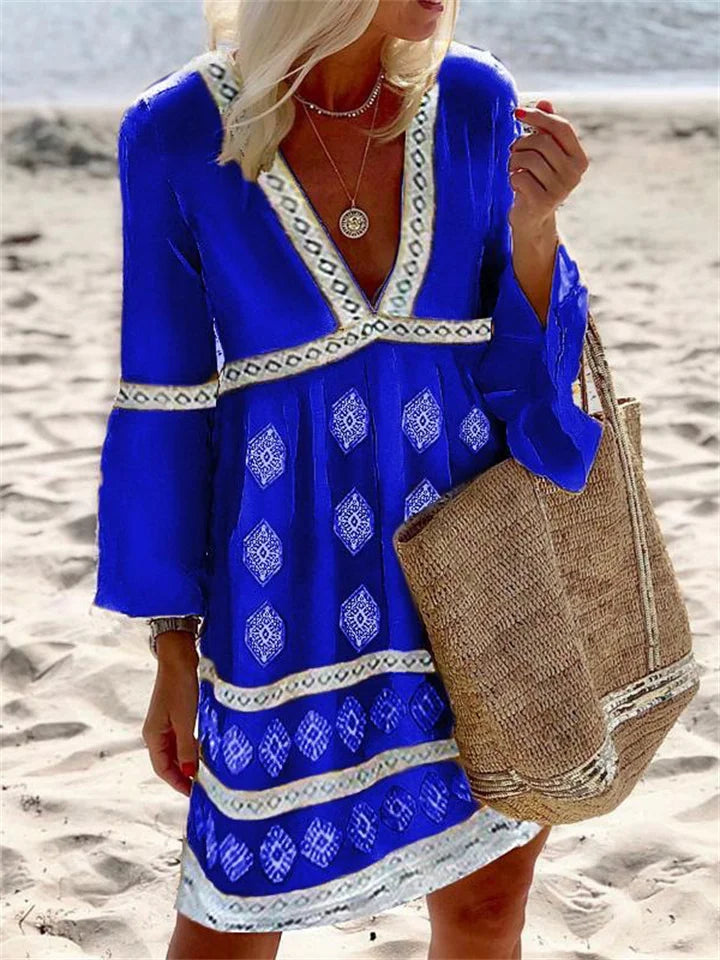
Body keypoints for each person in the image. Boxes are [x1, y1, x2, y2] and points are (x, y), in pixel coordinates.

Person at [91, 0, 600, 957]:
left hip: (474, 578)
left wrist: (536, 231)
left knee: (488, 909)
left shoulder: (475, 102)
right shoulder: (176, 131)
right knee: (232, 920)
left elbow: (528, 386)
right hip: (282, 598)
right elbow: (164, 401)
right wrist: (171, 645)